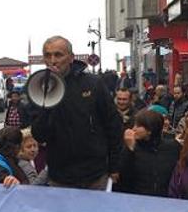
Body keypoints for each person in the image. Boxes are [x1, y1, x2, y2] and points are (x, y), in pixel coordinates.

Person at [31, 36, 123, 190]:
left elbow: (113, 125)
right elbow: (39, 134)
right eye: (47, 55)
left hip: (94, 174)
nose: (52, 60)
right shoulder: (38, 88)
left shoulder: (93, 84)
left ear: (71, 58)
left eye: (58, 55)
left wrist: (114, 166)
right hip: (60, 176)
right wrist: (48, 103)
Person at [118, 109, 179, 197]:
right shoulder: (130, 146)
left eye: (138, 126)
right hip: (136, 199)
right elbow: (123, 177)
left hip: (165, 199)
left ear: (150, 129)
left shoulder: (172, 147)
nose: (133, 129)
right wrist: (129, 149)